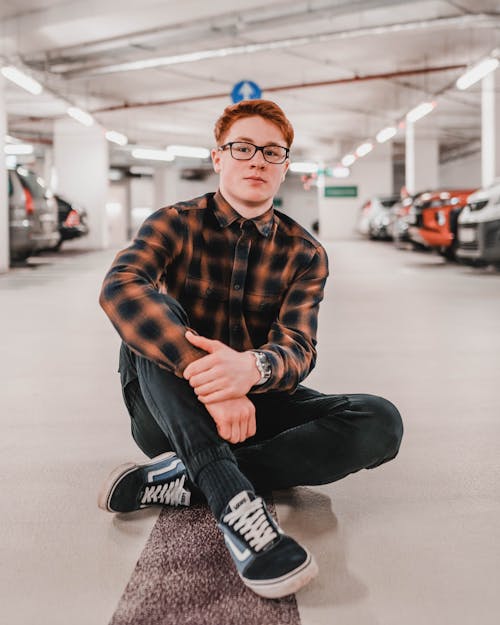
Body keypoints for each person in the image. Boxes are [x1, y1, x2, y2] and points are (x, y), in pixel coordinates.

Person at [98, 99, 403, 599]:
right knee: (154, 316)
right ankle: (232, 498)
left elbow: (298, 347)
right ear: (219, 157)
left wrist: (252, 369)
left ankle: (188, 477)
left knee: (380, 420)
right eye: (243, 148)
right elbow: (120, 286)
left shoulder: (305, 252)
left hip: (253, 404)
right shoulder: (173, 223)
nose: (257, 160)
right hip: (167, 413)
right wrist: (214, 380)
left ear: (285, 166)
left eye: (272, 152)